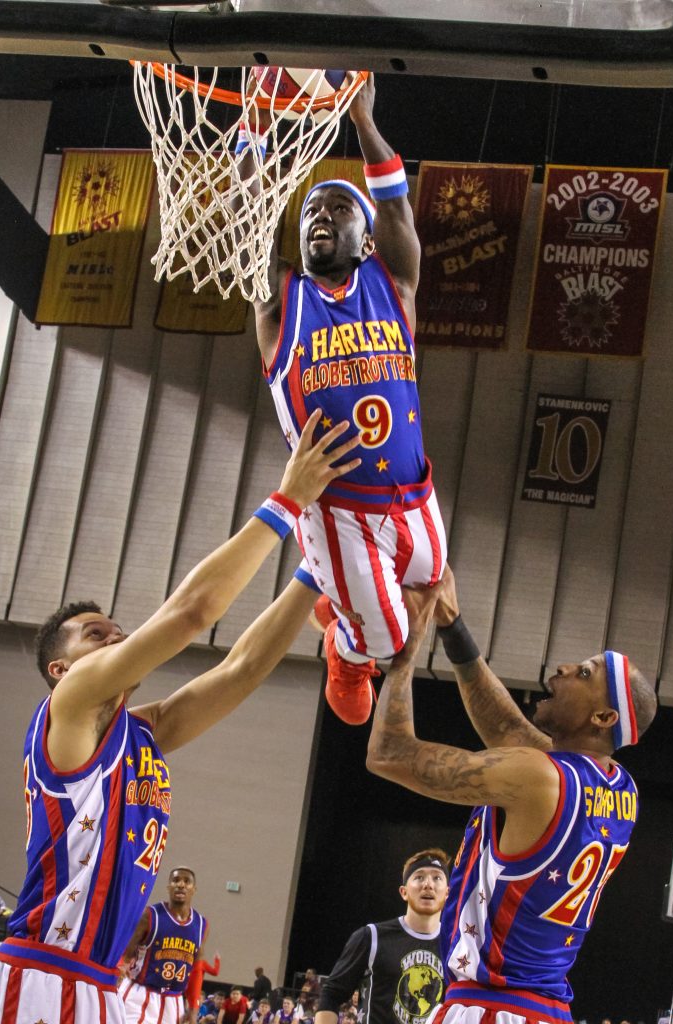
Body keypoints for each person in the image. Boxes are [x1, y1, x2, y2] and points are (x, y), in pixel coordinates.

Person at [0, 417, 359, 1024]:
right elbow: (191, 613)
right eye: (97, 635)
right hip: (39, 973)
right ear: (60, 669)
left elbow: (242, 670)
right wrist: (287, 502)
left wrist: (315, 567)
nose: (118, 638)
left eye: (118, 630)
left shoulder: (141, 732)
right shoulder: (69, 703)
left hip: (100, 984)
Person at [366, 567, 659, 1024]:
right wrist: (452, 625)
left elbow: (388, 753)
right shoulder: (619, 787)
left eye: (584, 674)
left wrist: (408, 643)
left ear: (603, 717)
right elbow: (506, 728)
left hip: (492, 1007)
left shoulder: (540, 778)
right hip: (543, 1009)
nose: (563, 669)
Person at [243, 72, 447, 726]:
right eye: (310, 211)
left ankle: (337, 598)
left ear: (367, 240)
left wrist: (363, 122)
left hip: (414, 492)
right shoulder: (282, 305)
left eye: (338, 209)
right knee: (392, 643)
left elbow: (397, 210)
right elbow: (251, 224)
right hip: (340, 507)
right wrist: (253, 133)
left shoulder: (395, 284)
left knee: (432, 580)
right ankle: (346, 649)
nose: (321, 217)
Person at [316, 848, 449, 1024]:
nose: (428, 885)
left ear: (447, 893)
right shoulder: (372, 937)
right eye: (419, 877)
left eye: (437, 878)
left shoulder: (457, 946)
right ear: (403, 892)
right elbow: (331, 995)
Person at [119, 866, 208, 1024]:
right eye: (176, 880)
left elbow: (196, 969)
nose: (181, 884)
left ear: (194, 889)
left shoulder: (201, 925)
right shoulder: (150, 915)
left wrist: (194, 1008)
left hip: (174, 1000)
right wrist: (116, 976)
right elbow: (125, 954)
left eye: (186, 881)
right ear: (168, 887)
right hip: (140, 994)